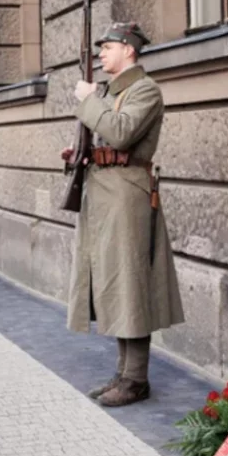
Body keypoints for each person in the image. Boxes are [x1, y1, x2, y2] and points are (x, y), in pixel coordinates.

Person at [64, 22, 183, 408]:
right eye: (100, 47)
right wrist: (79, 153)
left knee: (130, 285)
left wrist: (87, 100)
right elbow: (104, 138)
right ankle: (123, 371)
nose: (102, 53)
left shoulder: (145, 90)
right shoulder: (110, 92)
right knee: (114, 284)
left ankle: (136, 378)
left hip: (127, 197)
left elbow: (120, 132)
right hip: (104, 195)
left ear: (129, 50)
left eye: (109, 46)